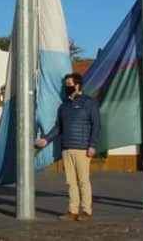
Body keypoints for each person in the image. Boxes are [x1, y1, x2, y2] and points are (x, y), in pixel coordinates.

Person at [35, 73, 101, 222]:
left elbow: (96, 125)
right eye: (65, 84)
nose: (66, 86)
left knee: (83, 180)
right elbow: (58, 127)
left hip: (83, 149)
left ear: (77, 85)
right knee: (70, 181)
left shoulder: (89, 102)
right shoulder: (63, 106)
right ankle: (72, 210)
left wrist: (92, 145)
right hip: (67, 148)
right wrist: (46, 139)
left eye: (69, 84)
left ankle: (86, 210)